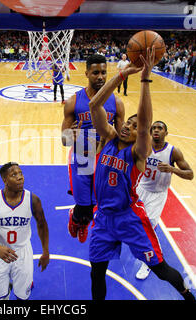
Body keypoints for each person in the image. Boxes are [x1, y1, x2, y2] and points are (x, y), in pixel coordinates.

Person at [88, 47, 196, 300]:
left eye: (135, 127)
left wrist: (146, 79)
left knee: (160, 269)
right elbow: (94, 105)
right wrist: (121, 75)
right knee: (96, 273)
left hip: (130, 219)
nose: (128, 126)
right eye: (128, 123)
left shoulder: (139, 153)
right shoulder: (108, 139)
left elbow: (146, 125)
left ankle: (185, 293)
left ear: (141, 135)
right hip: (103, 218)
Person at [61, 54, 125, 243]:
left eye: (104, 73)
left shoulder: (117, 102)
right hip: (83, 152)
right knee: (83, 205)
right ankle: (76, 219)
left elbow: (121, 140)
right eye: (96, 72)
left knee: (98, 204)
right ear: (87, 73)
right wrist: (68, 136)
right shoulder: (74, 101)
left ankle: (84, 223)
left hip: (105, 156)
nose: (100, 76)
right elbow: (64, 140)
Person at [0, 162, 49, 300]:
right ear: (4, 180)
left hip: (23, 253)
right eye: (14, 175)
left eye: (21, 173)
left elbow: (42, 225)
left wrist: (45, 251)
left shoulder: (33, 200)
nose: (20, 177)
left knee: (22, 297)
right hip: (0, 253)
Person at [135, 120, 194, 280]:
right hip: (140, 188)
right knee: (128, 219)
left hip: (158, 194)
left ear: (166, 133)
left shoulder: (173, 152)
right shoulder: (144, 147)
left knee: (149, 227)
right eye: (153, 128)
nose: (156, 130)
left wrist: (172, 169)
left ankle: (147, 262)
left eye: (160, 128)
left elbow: (190, 174)